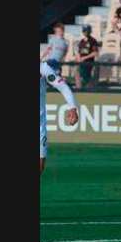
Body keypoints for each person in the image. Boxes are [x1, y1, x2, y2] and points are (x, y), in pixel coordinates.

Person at [41, 44, 81, 175]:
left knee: (41, 165)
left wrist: (73, 108)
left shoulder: (43, 68)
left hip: (39, 125)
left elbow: (63, 87)